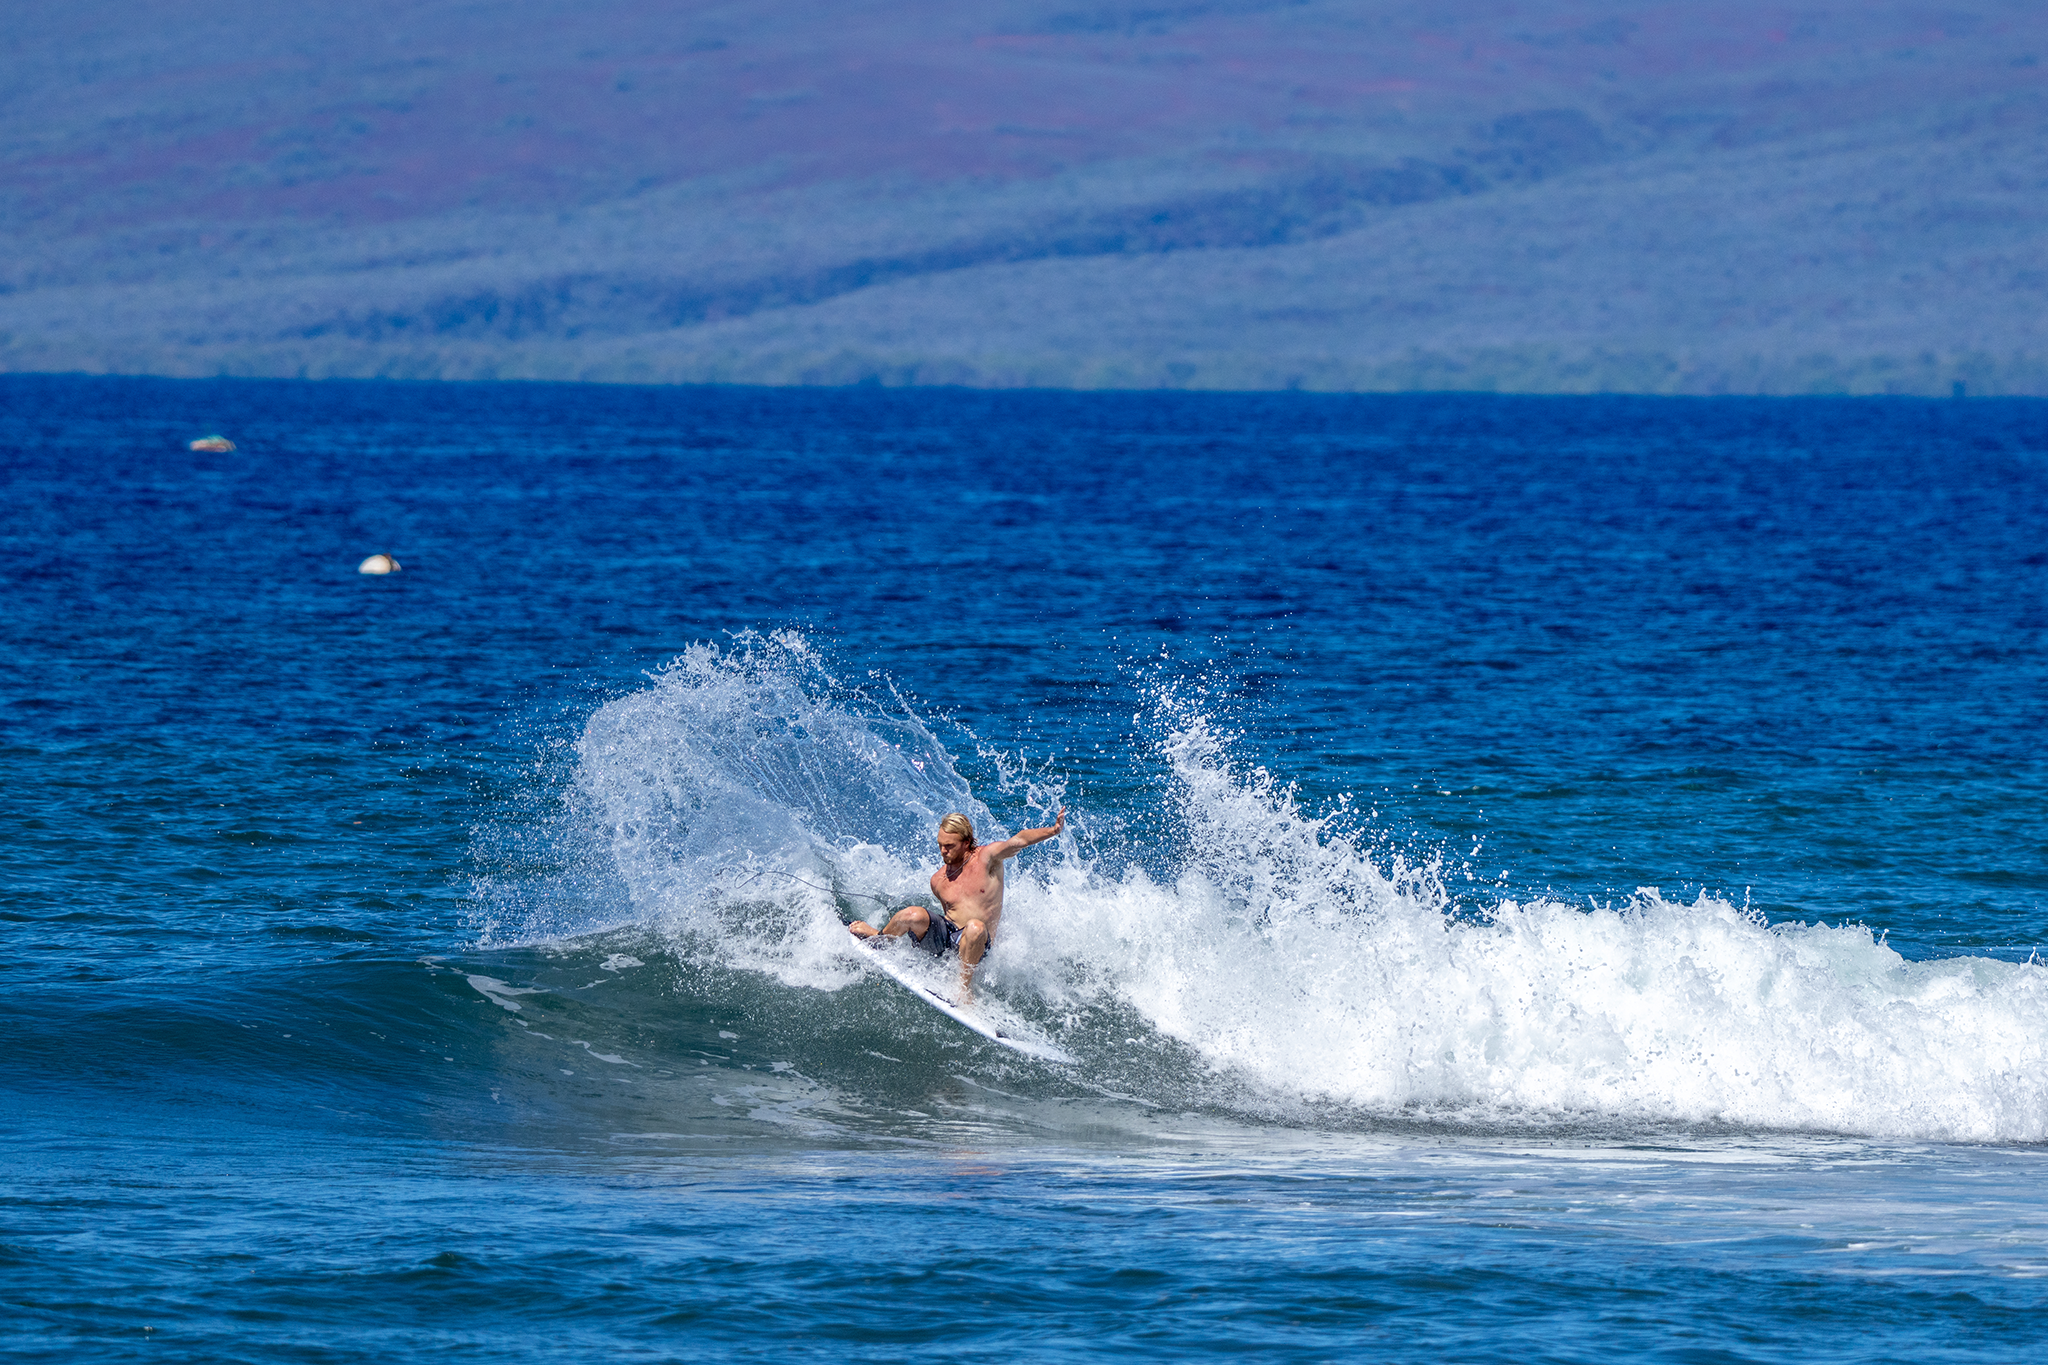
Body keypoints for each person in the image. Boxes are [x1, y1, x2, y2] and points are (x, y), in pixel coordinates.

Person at [849, 808, 1065, 1001]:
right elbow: (945, 918)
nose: (943, 851)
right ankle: (880, 939)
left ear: (967, 842)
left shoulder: (988, 859)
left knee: (975, 926)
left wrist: (1053, 830)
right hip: (948, 940)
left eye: (950, 846)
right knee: (912, 914)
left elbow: (1018, 841)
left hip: (977, 943)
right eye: (940, 845)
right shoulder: (938, 881)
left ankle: (962, 989)